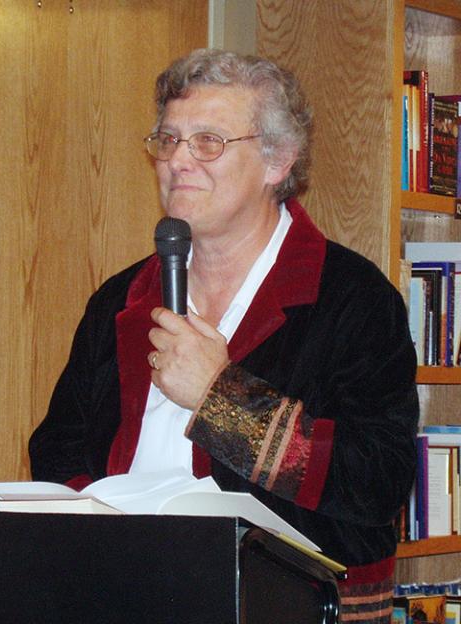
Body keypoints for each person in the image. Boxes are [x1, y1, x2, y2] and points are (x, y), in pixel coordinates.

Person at [29, 48, 419, 623]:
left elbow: (377, 481)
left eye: (208, 141)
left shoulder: (352, 298)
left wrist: (222, 399)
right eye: (167, 140)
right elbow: (57, 450)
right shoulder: (122, 299)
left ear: (277, 161)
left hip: (280, 606)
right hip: (122, 592)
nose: (178, 161)